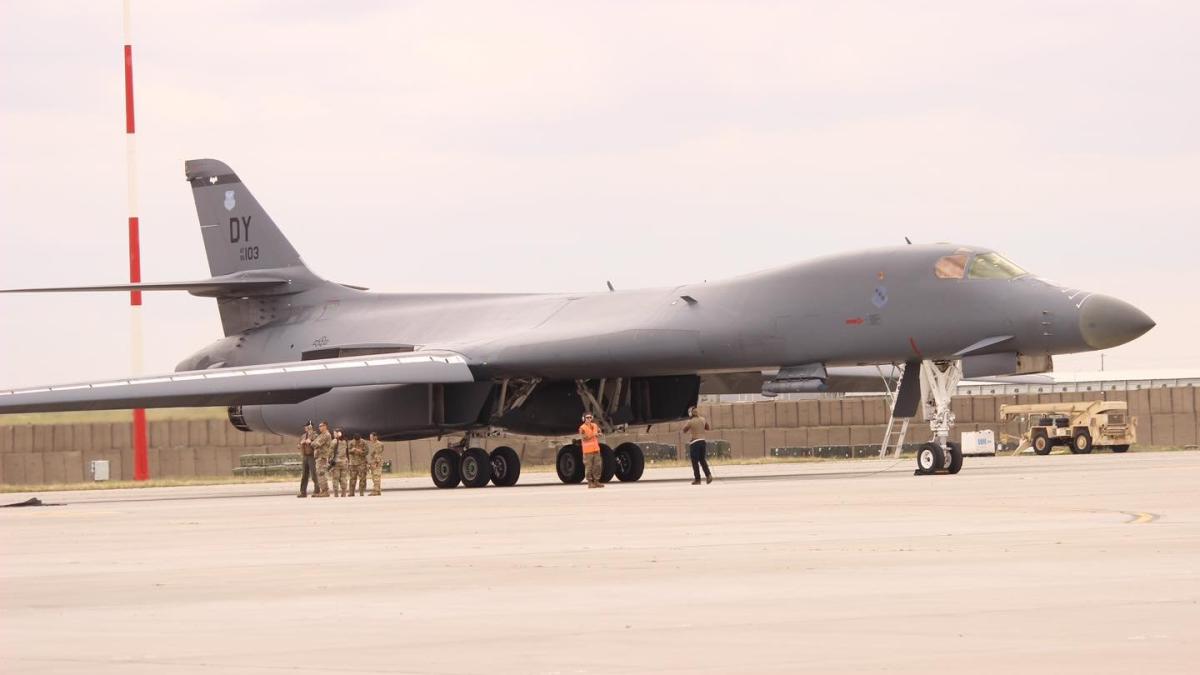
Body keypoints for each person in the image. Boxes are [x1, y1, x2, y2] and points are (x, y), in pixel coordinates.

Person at [681, 406, 712, 485]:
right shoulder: (703, 419)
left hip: (694, 443)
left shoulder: (690, 421)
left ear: (691, 413)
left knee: (695, 462)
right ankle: (708, 475)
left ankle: (697, 480)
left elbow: (684, 430)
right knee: (702, 460)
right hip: (703, 442)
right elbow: (708, 428)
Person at [578, 413, 604, 489]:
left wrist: (599, 434)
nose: (589, 419)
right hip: (587, 451)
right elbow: (584, 438)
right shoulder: (582, 428)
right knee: (589, 467)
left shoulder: (595, 426)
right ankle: (590, 482)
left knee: (598, 465)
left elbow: (599, 431)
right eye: (587, 417)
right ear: (584, 419)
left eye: (590, 417)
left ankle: (596, 481)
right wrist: (594, 434)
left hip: (596, 449)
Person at [296, 421, 318, 498]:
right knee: (304, 475)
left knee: (314, 474)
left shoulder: (315, 435)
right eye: (305, 427)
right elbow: (298, 445)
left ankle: (317, 490)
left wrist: (310, 442)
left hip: (312, 456)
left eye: (307, 426)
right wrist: (300, 444)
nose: (305, 428)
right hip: (305, 456)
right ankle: (303, 492)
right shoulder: (303, 436)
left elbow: (317, 444)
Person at [312, 421, 333, 497]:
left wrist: (313, 443)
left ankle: (325, 491)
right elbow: (314, 441)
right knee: (319, 473)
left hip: (322, 457)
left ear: (325, 426)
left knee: (321, 473)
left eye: (321, 426)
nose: (319, 427)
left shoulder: (326, 435)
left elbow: (316, 444)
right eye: (319, 426)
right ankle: (323, 490)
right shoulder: (321, 435)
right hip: (319, 457)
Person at [328, 427, 348, 497]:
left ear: (337, 434)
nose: (333, 434)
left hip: (336, 462)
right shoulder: (345, 441)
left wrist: (329, 460)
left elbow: (330, 452)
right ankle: (344, 493)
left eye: (334, 433)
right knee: (343, 478)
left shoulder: (334, 441)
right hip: (344, 462)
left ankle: (336, 494)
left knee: (335, 478)